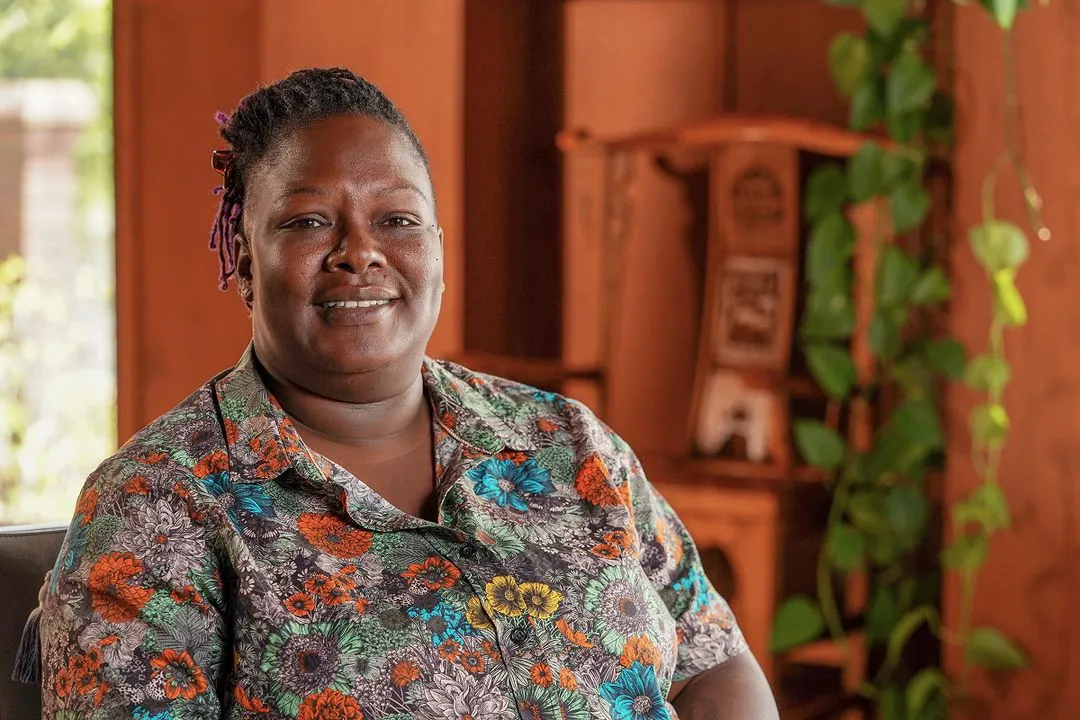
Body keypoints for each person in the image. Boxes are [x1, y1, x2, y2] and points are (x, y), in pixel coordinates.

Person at [36, 68, 779, 719]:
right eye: (308, 222)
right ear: (244, 265)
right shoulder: (154, 508)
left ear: (439, 255)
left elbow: (713, 661)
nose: (360, 251)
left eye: (396, 219)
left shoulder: (570, 444)